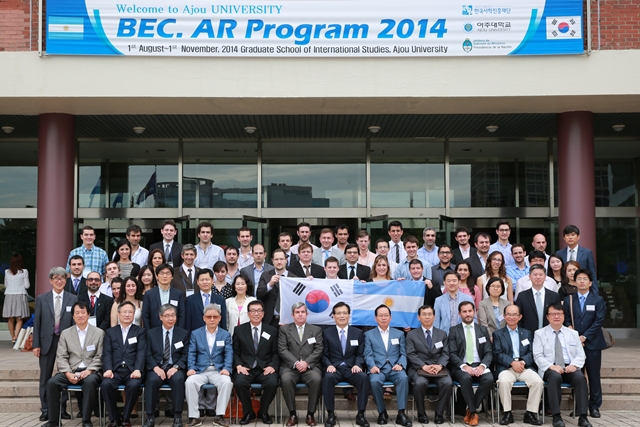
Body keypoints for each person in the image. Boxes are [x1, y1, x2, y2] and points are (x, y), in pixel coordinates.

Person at [43, 301, 104, 427]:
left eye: (83, 312)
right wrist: (68, 373)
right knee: (52, 383)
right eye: (77, 313)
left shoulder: (99, 333)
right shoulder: (66, 333)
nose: (80, 315)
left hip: (90, 371)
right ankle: (53, 421)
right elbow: (61, 356)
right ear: (73, 316)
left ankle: (86, 421)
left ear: (88, 314)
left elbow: (100, 356)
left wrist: (90, 370)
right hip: (71, 370)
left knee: (90, 382)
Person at [533, 303, 592, 427]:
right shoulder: (539, 333)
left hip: (569, 367)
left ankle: (583, 417)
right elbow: (537, 355)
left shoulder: (573, 333)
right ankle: (556, 416)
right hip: (551, 367)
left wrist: (574, 365)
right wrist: (552, 366)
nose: (556, 316)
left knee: (580, 378)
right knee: (555, 377)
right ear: (547, 317)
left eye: (559, 314)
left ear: (564, 316)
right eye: (553, 314)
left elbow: (581, 355)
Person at [33, 267, 78, 422]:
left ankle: (62, 408)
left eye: (62, 278)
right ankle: (45, 409)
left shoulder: (73, 298)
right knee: (45, 377)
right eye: (56, 278)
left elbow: (74, 322)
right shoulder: (41, 298)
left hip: (66, 343)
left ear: (66, 280)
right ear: (50, 280)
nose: (59, 281)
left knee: (64, 375)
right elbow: (37, 323)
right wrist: (36, 344)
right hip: (46, 342)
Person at [563, 269, 606, 419]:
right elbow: (565, 318)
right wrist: (571, 331)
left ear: (590, 282)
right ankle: (579, 406)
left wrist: (584, 337)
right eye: (579, 279)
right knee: (577, 376)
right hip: (574, 344)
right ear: (574, 282)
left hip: (593, 343)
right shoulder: (569, 299)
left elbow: (599, 321)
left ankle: (594, 406)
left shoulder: (598, 300)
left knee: (594, 376)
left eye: (585, 279)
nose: (582, 281)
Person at [492, 304, 543, 426]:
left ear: (520, 317)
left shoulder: (527, 333)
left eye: (515, 314)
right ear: (504, 316)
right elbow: (497, 354)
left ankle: (530, 413)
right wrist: (512, 362)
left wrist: (523, 362)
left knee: (538, 381)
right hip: (507, 368)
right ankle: (507, 413)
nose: (511, 317)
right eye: (508, 314)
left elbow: (532, 352)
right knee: (504, 382)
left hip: (524, 367)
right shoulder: (498, 334)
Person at [322, 302, 370, 427]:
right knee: (327, 378)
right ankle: (331, 414)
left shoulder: (358, 333)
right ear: (333, 316)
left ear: (349, 315)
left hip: (351, 368)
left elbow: (360, 354)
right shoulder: (327, 333)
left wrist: (358, 365)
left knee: (364, 378)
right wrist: (328, 365)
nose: (342, 316)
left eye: (344, 313)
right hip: (335, 368)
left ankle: (361, 415)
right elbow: (323, 354)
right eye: (338, 313)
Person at [185, 304, 234, 427]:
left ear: (220, 318)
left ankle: (219, 416)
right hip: (200, 370)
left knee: (227, 382)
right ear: (204, 318)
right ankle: (194, 417)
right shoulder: (196, 333)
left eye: (215, 317)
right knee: (190, 382)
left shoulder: (225, 334)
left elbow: (228, 353)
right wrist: (191, 368)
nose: (212, 319)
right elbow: (192, 352)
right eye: (209, 317)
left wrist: (227, 368)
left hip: (218, 370)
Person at [233, 300, 280, 425]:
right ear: (248, 314)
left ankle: (263, 412)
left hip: (265, 368)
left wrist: (272, 366)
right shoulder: (239, 330)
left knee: (273, 383)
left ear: (263, 314)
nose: (256, 313)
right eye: (253, 311)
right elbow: (235, 352)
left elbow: (276, 353)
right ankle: (249, 412)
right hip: (246, 368)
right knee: (239, 382)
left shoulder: (272, 330)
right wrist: (239, 366)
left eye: (259, 311)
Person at [364, 305, 411, 427]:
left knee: (404, 378)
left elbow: (403, 353)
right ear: (375, 318)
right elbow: (368, 354)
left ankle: (401, 413)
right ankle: (382, 412)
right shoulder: (368, 335)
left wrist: (400, 364)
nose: (383, 318)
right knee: (374, 381)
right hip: (378, 369)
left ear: (390, 317)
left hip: (395, 368)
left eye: (386, 315)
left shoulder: (399, 334)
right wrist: (372, 366)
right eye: (380, 315)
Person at [144, 303, 190, 427]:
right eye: (167, 316)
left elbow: (185, 354)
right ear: (161, 317)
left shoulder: (183, 333)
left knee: (178, 379)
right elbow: (147, 354)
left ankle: (177, 417)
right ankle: (150, 417)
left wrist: (176, 367)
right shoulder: (151, 333)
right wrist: (155, 367)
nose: (171, 318)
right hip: (157, 367)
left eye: (173, 315)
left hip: (175, 367)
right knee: (152, 381)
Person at [101, 301, 147, 427]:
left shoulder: (140, 332)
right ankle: (114, 418)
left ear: (134, 314)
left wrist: (138, 369)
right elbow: (107, 352)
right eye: (124, 312)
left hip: (132, 370)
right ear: (119, 314)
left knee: (134, 385)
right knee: (105, 384)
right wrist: (108, 369)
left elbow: (141, 352)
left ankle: (126, 418)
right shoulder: (110, 332)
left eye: (130, 312)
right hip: (115, 370)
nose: (127, 315)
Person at [448, 301, 493, 427]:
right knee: (466, 378)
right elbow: (452, 353)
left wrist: (482, 366)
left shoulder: (482, 330)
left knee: (489, 379)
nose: (467, 314)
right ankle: (474, 412)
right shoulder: (453, 330)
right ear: (459, 314)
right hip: (461, 366)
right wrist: (464, 366)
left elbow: (489, 352)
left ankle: (470, 410)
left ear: (474, 312)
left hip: (479, 364)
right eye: (464, 311)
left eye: (470, 311)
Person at [278, 302, 323, 426]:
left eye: (303, 312)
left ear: (307, 314)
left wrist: (306, 362)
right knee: (286, 380)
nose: (300, 314)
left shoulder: (316, 330)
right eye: (297, 312)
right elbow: (282, 349)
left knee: (316, 379)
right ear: (292, 315)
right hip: (290, 367)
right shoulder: (284, 330)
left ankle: (310, 414)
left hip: (310, 367)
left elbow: (318, 349)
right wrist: (296, 363)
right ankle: (292, 414)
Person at [406, 305, 452, 425]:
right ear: (419, 317)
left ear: (434, 316)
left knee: (447, 383)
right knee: (419, 383)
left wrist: (440, 365)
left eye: (429, 314)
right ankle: (421, 413)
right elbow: (411, 354)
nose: (427, 317)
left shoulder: (442, 334)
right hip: (419, 368)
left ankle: (439, 413)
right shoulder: (411, 334)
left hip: (438, 368)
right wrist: (424, 366)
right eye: (424, 314)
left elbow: (446, 353)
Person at [516, 265, 561, 333]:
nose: (538, 277)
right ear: (529, 277)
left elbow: (558, 316)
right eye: (535, 275)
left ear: (545, 277)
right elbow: (519, 317)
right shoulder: (522, 296)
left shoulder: (554, 296)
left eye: (541, 274)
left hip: (549, 333)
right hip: (528, 334)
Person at [142, 264, 186, 330]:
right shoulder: (149, 294)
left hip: (174, 330)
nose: (165, 276)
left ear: (172, 276)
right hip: (154, 331)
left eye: (168, 273)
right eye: (162, 273)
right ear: (157, 276)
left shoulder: (178, 294)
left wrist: (179, 331)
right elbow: (145, 316)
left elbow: (181, 315)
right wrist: (148, 332)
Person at [556, 225, 598, 292]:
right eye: (567, 235)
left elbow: (592, 273)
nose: (570, 237)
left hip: (583, 288)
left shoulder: (587, 253)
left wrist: (595, 293)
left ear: (578, 237)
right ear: (564, 238)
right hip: (565, 289)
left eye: (573, 235)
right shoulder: (559, 254)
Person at [257, 249, 290, 328]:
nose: (279, 262)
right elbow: (259, 295)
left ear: (286, 260)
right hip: (269, 320)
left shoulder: (293, 278)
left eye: (281, 259)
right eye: (276, 259)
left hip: (288, 320)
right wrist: (269, 284)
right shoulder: (265, 275)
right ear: (272, 261)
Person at [3, 253, 30, 343]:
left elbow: (6, 285)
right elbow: (27, 286)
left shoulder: (7, 272)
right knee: (19, 318)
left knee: (10, 318)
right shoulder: (24, 271)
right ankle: (16, 336)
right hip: (20, 295)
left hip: (9, 295)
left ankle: (12, 337)